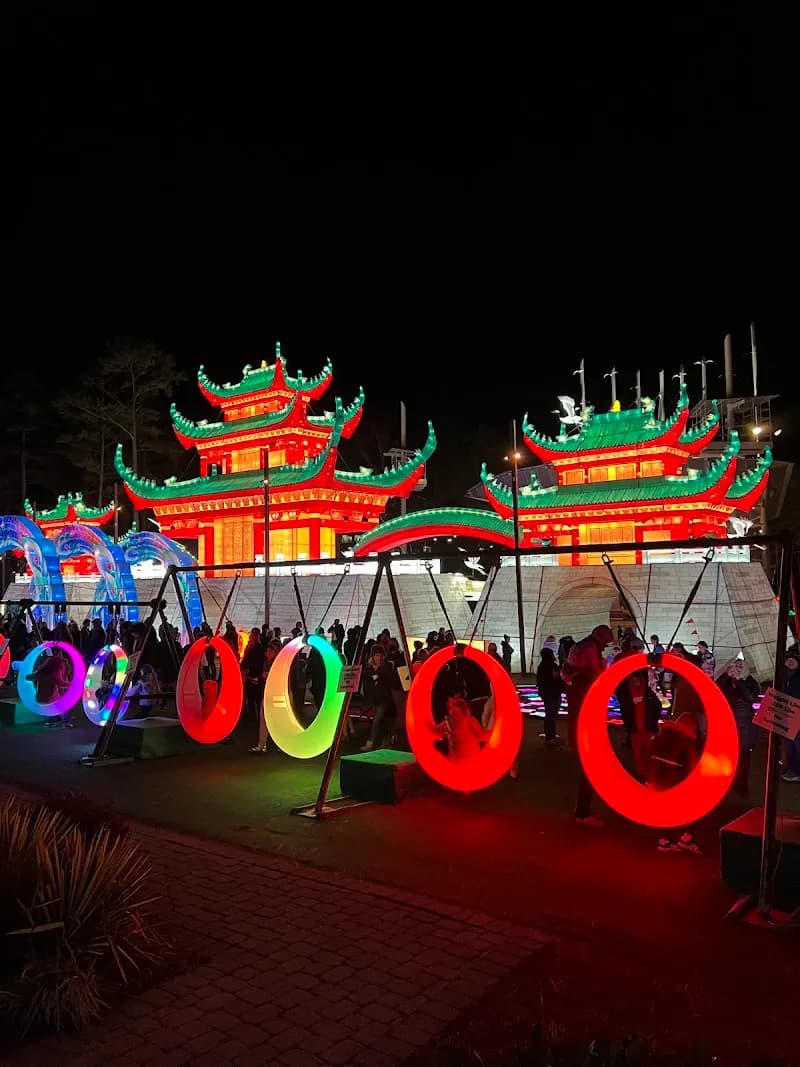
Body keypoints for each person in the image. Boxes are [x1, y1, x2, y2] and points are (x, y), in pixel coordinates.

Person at [560, 624, 614, 827]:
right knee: (591, 769)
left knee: (590, 768)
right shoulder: (590, 650)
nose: (605, 647)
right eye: (605, 643)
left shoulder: (583, 650)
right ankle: (582, 814)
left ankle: (581, 810)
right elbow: (598, 672)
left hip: (581, 723)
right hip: (586, 726)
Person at [717, 658, 761, 796]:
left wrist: (739, 681)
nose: (737, 668)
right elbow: (717, 689)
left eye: (740, 666)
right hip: (729, 723)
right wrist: (726, 675)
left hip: (745, 726)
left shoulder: (751, 682)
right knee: (729, 756)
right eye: (735, 665)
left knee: (743, 757)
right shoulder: (728, 681)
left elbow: (751, 697)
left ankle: (742, 786)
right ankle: (729, 784)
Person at [361, 645, 395, 751]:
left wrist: (380, 671)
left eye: (381, 655)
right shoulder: (368, 670)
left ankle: (371, 742)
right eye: (377, 655)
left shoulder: (386, 668)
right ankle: (386, 740)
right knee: (381, 721)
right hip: (374, 700)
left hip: (384, 700)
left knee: (377, 720)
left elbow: (390, 680)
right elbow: (367, 685)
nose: (379, 658)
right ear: (373, 656)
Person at [536, 645, 564, 745]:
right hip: (553, 693)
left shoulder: (541, 666)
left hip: (547, 693)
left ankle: (551, 735)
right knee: (551, 714)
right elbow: (557, 678)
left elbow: (539, 681)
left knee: (550, 714)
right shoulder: (552, 666)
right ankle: (550, 737)